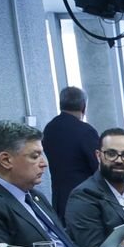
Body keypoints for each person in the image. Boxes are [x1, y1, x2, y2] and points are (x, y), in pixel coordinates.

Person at [44, 86, 100, 220]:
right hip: (86, 198)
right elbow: (98, 167)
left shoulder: (49, 128)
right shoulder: (86, 131)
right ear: (83, 107)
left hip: (59, 199)